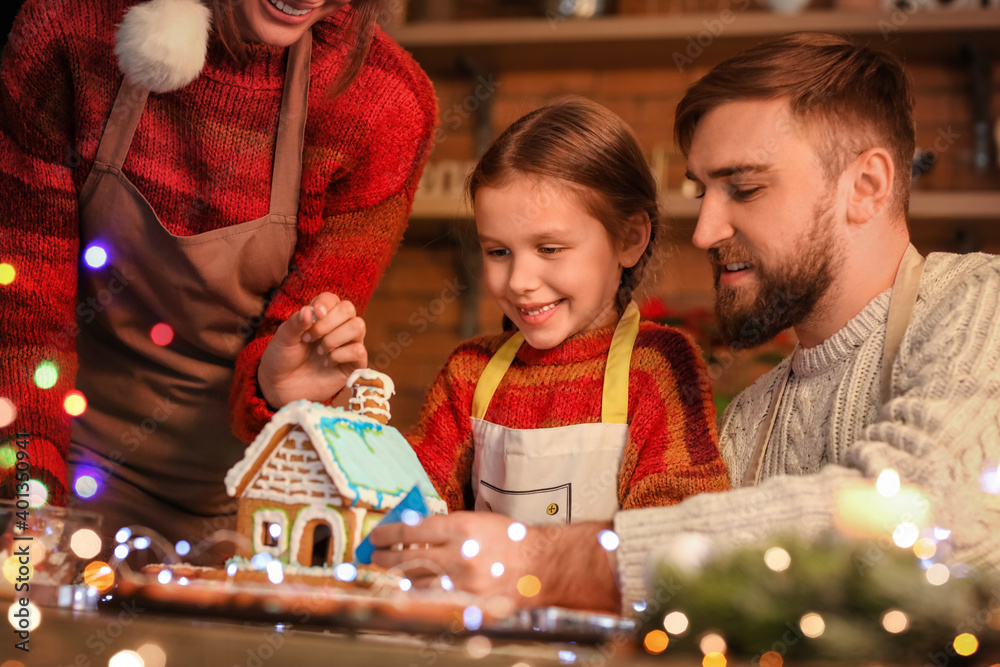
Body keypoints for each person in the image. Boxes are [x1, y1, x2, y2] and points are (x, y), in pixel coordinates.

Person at [370, 33, 1000, 613]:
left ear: (866, 185)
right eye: (703, 191)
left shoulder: (979, 305)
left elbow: (924, 507)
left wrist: (545, 559)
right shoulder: (753, 421)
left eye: (744, 189)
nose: (704, 231)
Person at [0, 0, 435, 555]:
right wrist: (29, 518)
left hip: (245, 513)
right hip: (58, 488)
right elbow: (23, 326)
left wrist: (278, 390)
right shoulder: (70, 30)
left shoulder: (384, 103)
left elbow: (297, 376)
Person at [404, 98, 729, 530]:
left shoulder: (656, 367)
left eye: (549, 249)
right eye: (498, 251)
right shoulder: (468, 374)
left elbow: (675, 531)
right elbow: (413, 507)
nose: (520, 280)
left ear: (630, 239)